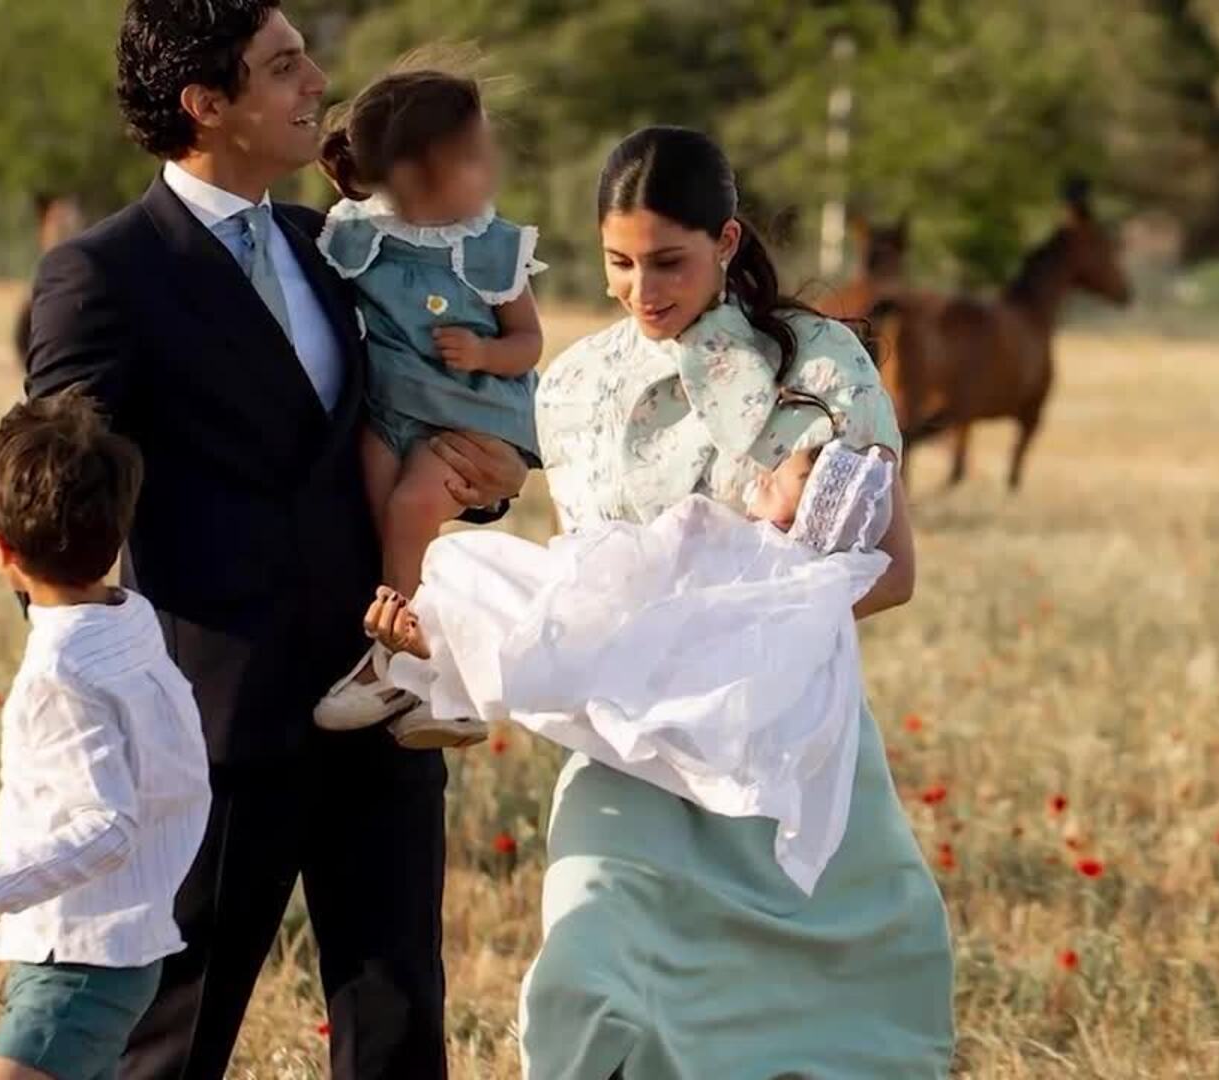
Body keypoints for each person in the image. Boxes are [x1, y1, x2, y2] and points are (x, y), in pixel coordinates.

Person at [21, 3, 528, 1078]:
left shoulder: (333, 244)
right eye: (285, 65)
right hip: (212, 732)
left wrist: (486, 484)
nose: (317, 82)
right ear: (208, 104)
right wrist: (96, 701)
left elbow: (412, 410)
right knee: (171, 1046)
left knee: (399, 1038)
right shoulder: (102, 273)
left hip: (380, 699)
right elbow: (57, 499)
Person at [511, 126, 956, 1078]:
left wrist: (726, 632)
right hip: (629, 752)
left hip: (785, 751)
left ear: (727, 241)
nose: (641, 290)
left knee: (815, 1034)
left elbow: (893, 572)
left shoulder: (823, 365)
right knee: (590, 987)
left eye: (668, 261)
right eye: (618, 263)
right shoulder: (574, 386)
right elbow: (583, 571)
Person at [365, 434, 901, 902]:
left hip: (638, 638)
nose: (771, 469)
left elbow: (669, 551)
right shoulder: (806, 596)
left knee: (499, 585)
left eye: (793, 474)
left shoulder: (761, 558)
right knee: (529, 617)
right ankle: (440, 663)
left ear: (800, 514)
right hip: (646, 653)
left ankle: (433, 658)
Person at [0, 389, 211, 1080]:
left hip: (79, 963)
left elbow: (109, 827)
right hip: (118, 950)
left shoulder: (60, 671)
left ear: (2, 548)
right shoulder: (132, 622)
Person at [310, 60, 548, 749]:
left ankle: (403, 657)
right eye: (472, 158)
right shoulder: (356, 235)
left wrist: (485, 355)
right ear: (412, 174)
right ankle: (433, 672)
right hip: (392, 409)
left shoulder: (489, 247)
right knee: (379, 512)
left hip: (464, 412)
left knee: (411, 509)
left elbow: (528, 341)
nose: (489, 173)